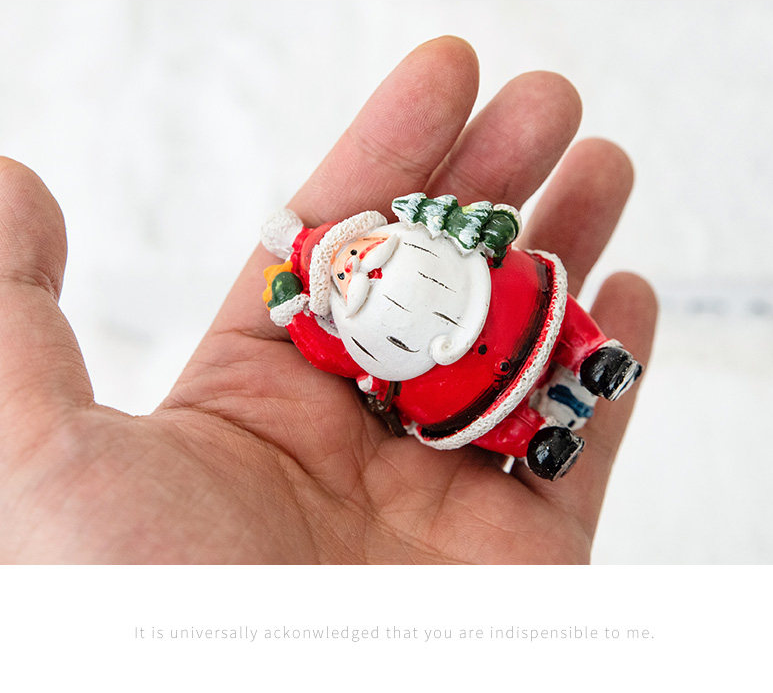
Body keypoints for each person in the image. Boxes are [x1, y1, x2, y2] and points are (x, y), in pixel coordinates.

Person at [0, 36, 657, 563]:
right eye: (339, 278)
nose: (356, 270)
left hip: (520, 305)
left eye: (353, 253)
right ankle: (538, 441)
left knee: (562, 319)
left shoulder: (432, 237)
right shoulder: (359, 343)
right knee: (494, 427)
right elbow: (331, 353)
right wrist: (294, 313)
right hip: (456, 398)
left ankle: (594, 357)